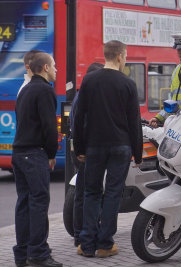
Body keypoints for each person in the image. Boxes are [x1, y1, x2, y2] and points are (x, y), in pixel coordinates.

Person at [73, 40, 143, 258]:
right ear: (120, 56)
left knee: (91, 192)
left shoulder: (89, 81)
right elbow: (134, 122)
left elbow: (79, 117)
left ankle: (86, 244)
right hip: (121, 146)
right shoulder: (128, 84)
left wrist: (79, 148)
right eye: (126, 56)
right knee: (113, 193)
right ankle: (105, 244)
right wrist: (138, 153)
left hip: (94, 146)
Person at [12, 52, 63, 267]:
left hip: (18, 153)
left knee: (24, 203)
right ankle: (39, 254)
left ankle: (21, 253)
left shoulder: (24, 90)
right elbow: (49, 127)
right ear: (44, 68)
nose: (56, 69)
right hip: (35, 154)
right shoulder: (44, 90)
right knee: (39, 204)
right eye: (53, 65)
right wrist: (51, 154)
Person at [69, 62, 104, 247]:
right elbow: (78, 126)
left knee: (83, 193)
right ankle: (80, 235)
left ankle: (80, 233)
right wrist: (82, 151)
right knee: (85, 193)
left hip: (82, 149)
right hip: (85, 151)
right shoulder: (86, 97)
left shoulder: (81, 95)